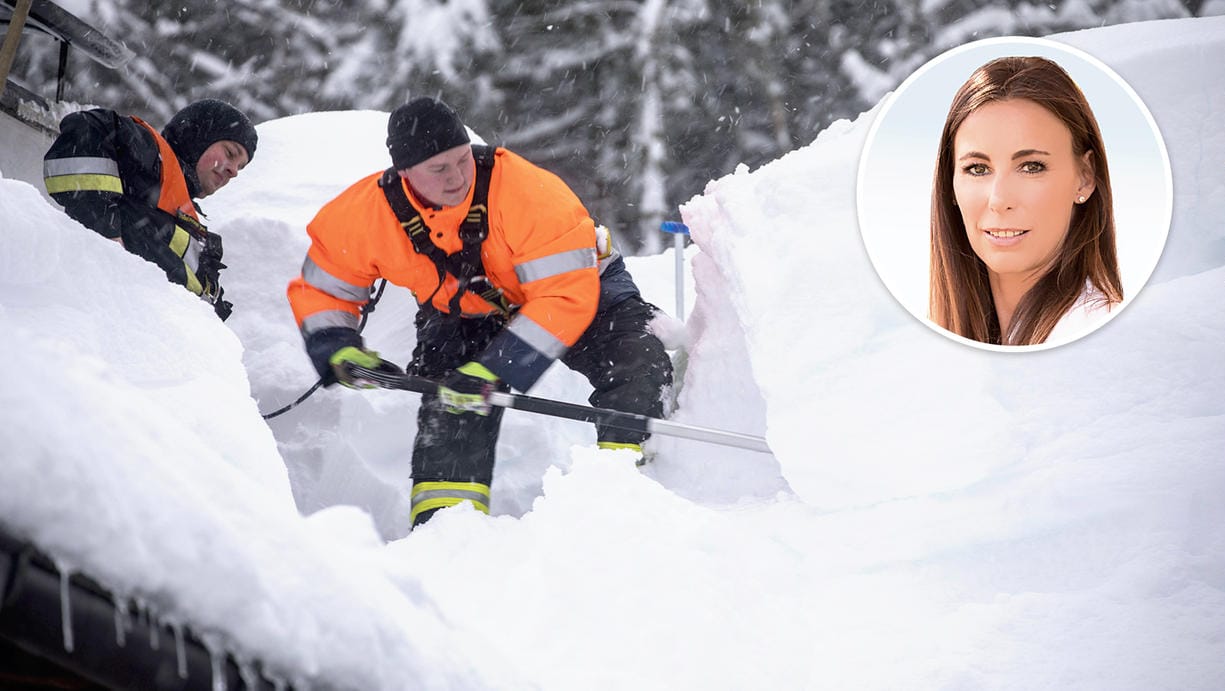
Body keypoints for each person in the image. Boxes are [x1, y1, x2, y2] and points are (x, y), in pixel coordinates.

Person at [287, 96, 674, 529]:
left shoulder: (529, 193)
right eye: (438, 169)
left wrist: (498, 367)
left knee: (637, 357)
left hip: (585, 285)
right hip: (465, 311)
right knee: (452, 402)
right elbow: (323, 289)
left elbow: (563, 298)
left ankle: (625, 496)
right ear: (403, 173)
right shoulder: (364, 216)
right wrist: (336, 346)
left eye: (461, 160)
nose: (456, 177)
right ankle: (447, 531)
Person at [929, 56, 1122, 347]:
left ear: (1085, 176)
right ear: (950, 185)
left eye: (1032, 167)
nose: (999, 199)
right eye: (977, 169)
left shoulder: (1101, 337)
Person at [43, 99, 259, 320]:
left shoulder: (185, 214)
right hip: (89, 320)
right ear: (199, 137)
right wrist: (104, 233)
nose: (234, 171)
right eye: (231, 153)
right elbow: (88, 128)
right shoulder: (153, 156)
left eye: (241, 167)